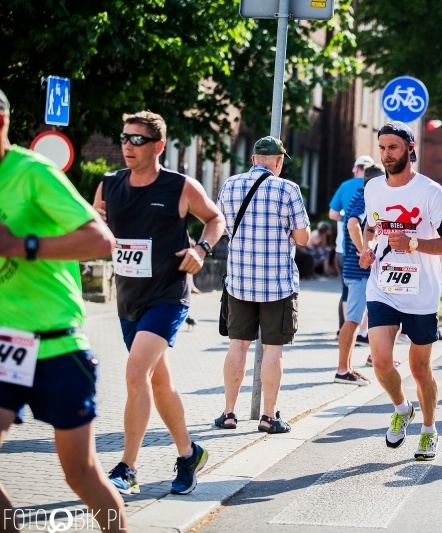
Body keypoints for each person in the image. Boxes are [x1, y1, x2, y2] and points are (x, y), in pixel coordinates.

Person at [0, 89, 127, 532]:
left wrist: (22, 245)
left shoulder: (32, 173)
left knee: (81, 474)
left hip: (56, 344)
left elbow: (101, 241)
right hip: (4, 345)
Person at [94, 111, 225, 496]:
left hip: (168, 296)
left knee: (136, 373)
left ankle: (128, 466)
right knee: (159, 381)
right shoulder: (109, 186)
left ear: (158, 146)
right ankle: (188, 455)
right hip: (128, 299)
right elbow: (93, 226)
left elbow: (215, 220)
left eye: (138, 140)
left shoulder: (180, 187)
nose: (128, 146)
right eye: (124, 138)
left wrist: (201, 249)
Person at [358, 121, 442, 461]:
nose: (386, 154)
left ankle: (429, 429)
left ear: (410, 149)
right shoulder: (373, 188)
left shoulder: (431, 192)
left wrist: (414, 242)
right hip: (383, 286)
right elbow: (371, 227)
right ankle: (402, 408)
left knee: (419, 369)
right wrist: (368, 248)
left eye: (393, 148)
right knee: (382, 361)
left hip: (422, 292)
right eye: (382, 147)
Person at [214, 136, 310, 433]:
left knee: (237, 346)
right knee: (273, 350)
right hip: (278, 284)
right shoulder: (287, 189)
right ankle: (268, 417)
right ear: (278, 162)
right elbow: (303, 238)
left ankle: (229, 413)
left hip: (240, 281)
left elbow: (220, 225)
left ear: (254, 159)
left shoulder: (230, 185)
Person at [336, 163, 386, 383]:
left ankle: (347, 368)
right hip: (358, 271)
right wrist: (363, 250)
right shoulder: (365, 198)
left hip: (357, 270)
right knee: (353, 320)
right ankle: (342, 370)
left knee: (356, 320)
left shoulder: (361, 196)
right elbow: (353, 224)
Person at [330, 155, 374, 337]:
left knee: (346, 292)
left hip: (343, 248)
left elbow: (333, 214)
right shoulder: (372, 192)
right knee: (365, 294)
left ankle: (345, 331)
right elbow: (355, 222)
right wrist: (364, 247)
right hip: (363, 252)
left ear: (357, 169)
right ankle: (361, 332)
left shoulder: (346, 186)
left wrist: (344, 217)